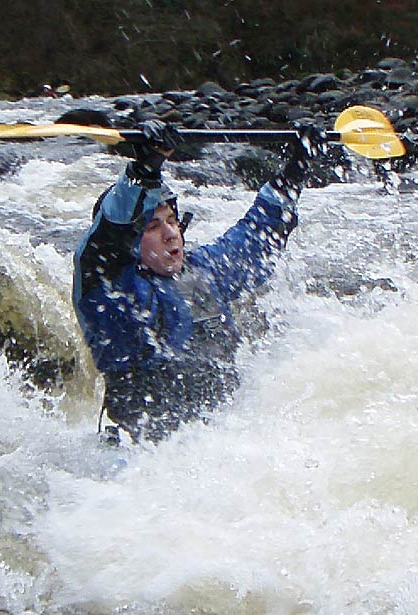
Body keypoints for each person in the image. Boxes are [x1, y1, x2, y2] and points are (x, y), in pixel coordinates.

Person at [73, 119, 328, 443]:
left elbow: (258, 236)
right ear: (130, 242)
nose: (170, 233)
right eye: (152, 227)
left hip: (225, 442)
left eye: (172, 221)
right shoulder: (109, 289)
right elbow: (108, 235)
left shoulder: (205, 271)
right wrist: (144, 171)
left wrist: (297, 168)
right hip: (141, 461)